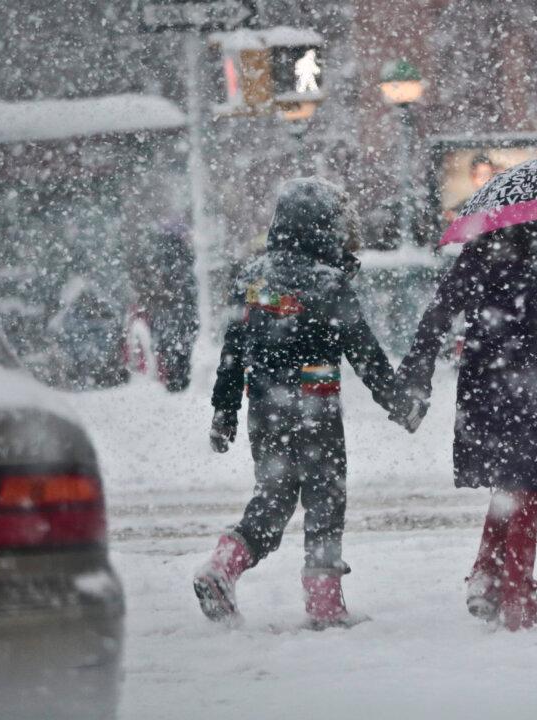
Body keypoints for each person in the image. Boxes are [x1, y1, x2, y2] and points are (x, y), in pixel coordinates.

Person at [193, 177, 425, 629]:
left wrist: (225, 411)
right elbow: (366, 354)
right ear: (323, 227)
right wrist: (401, 404)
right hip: (316, 405)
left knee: (273, 496)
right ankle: (324, 604)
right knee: (325, 499)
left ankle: (223, 565)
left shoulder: (252, 278)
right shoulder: (328, 282)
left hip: (265, 407)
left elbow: (233, 352)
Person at [397, 220, 537, 631]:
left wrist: (417, 374)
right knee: (526, 486)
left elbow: (437, 317)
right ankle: (516, 596)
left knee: (510, 484)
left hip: (481, 387)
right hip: (529, 388)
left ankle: (487, 575)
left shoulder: (476, 258)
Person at [129, 222, 199, 392]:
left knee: (168, 346)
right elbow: (190, 287)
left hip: (166, 311)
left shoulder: (158, 256)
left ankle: (172, 377)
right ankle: (181, 378)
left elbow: (150, 283)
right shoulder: (184, 257)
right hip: (181, 311)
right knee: (182, 347)